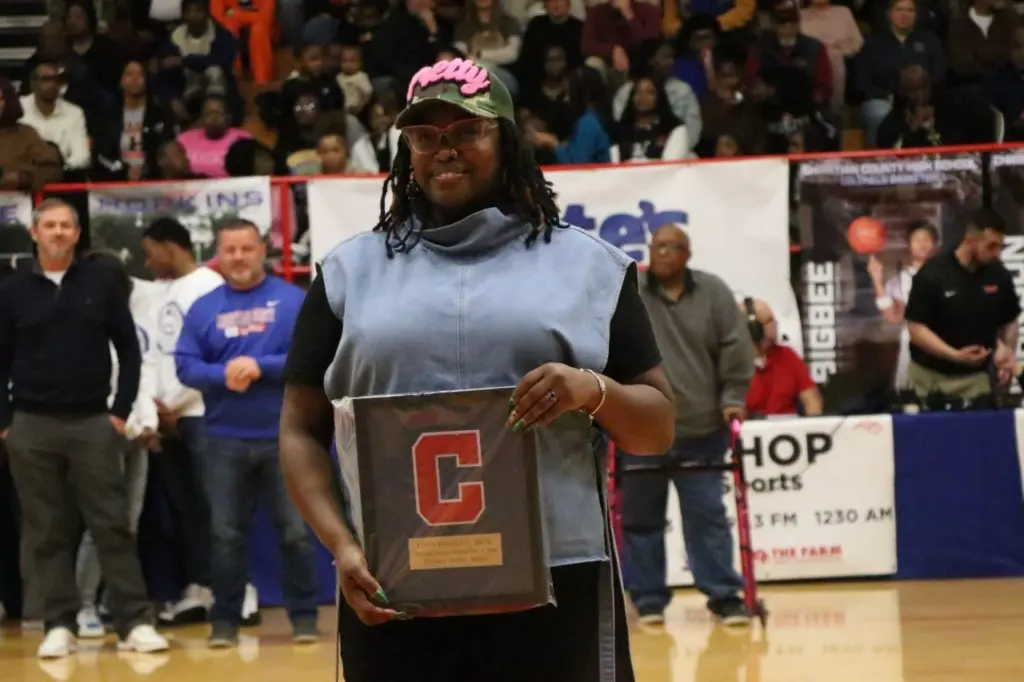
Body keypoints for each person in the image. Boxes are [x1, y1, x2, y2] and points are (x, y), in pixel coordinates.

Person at [278, 57, 675, 681]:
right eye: (425, 136)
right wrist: (342, 545)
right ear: (406, 150)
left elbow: (657, 428)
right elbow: (300, 428)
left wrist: (592, 390)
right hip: (392, 574)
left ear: (507, 140)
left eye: (468, 131)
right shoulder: (346, 273)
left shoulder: (590, 266)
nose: (446, 149)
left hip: (558, 573)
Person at [0, 198, 169, 659]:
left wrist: (119, 411)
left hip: (93, 422)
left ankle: (134, 622)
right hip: (31, 424)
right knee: (46, 530)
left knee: (111, 524)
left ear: (77, 235)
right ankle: (59, 624)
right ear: (35, 233)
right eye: (49, 225)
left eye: (65, 226)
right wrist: (5, 423)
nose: (58, 232)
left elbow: (129, 351)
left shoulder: (101, 283)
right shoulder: (12, 290)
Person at [175, 220, 319, 648]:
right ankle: (224, 623)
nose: (238, 257)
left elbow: (313, 355)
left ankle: (305, 618)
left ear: (262, 251)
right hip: (222, 439)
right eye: (230, 250)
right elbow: (184, 365)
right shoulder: (203, 308)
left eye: (246, 248)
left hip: (285, 436)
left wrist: (261, 367)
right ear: (219, 256)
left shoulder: (293, 300)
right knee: (224, 537)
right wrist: (222, 375)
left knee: (294, 532)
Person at [620, 223, 755, 627]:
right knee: (640, 519)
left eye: (671, 247)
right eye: (656, 246)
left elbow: (736, 346)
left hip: (701, 429)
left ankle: (724, 596)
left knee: (707, 516)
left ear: (687, 254)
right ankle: (648, 599)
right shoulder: (629, 291)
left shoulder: (713, 292)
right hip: (641, 430)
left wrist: (733, 397)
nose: (662, 253)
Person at [139, 218, 226, 627]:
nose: (147, 261)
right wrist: (157, 409)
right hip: (166, 418)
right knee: (185, 509)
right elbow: (156, 354)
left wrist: (178, 403)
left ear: (169, 247)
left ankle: (234, 589)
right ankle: (200, 586)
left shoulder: (209, 286)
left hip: (202, 412)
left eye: (149, 252)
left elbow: (216, 355)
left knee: (216, 506)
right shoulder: (162, 291)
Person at [73, 250, 159, 639]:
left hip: (137, 436)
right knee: (101, 524)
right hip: (99, 435)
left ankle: (116, 601)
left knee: (128, 523)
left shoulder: (132, 323)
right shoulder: (76, 324)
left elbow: (141, 375)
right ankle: (83, 604)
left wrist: (148, 422)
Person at [904, 209, 1022, 400]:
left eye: (1000, 247)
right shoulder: (933, 273)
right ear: (970, 239)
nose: (997, 253)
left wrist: (1007, 356)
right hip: (929, 377)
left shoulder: (999, 275)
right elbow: (916, 329)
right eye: (991, 246)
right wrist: (954, 355)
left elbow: (1010, 321)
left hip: (976, 378)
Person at [868, 220, 939, 389]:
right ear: (909, 244)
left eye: (926, 239)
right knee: (911, 393)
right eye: (917, 239)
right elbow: (893, 316)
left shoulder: (946, 275)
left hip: (943, 342)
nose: (922, 244)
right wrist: (877, 280)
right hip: (913, 345)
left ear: (935, 245)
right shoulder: (900, 279)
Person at [742, 298, 823, 416]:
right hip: (747, 426)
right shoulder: (732, 362)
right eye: (770, 321)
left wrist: (813, 424)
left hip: (786, 425)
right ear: (755, 330)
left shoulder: (788, 356)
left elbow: (812, 399)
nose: (776, 324)